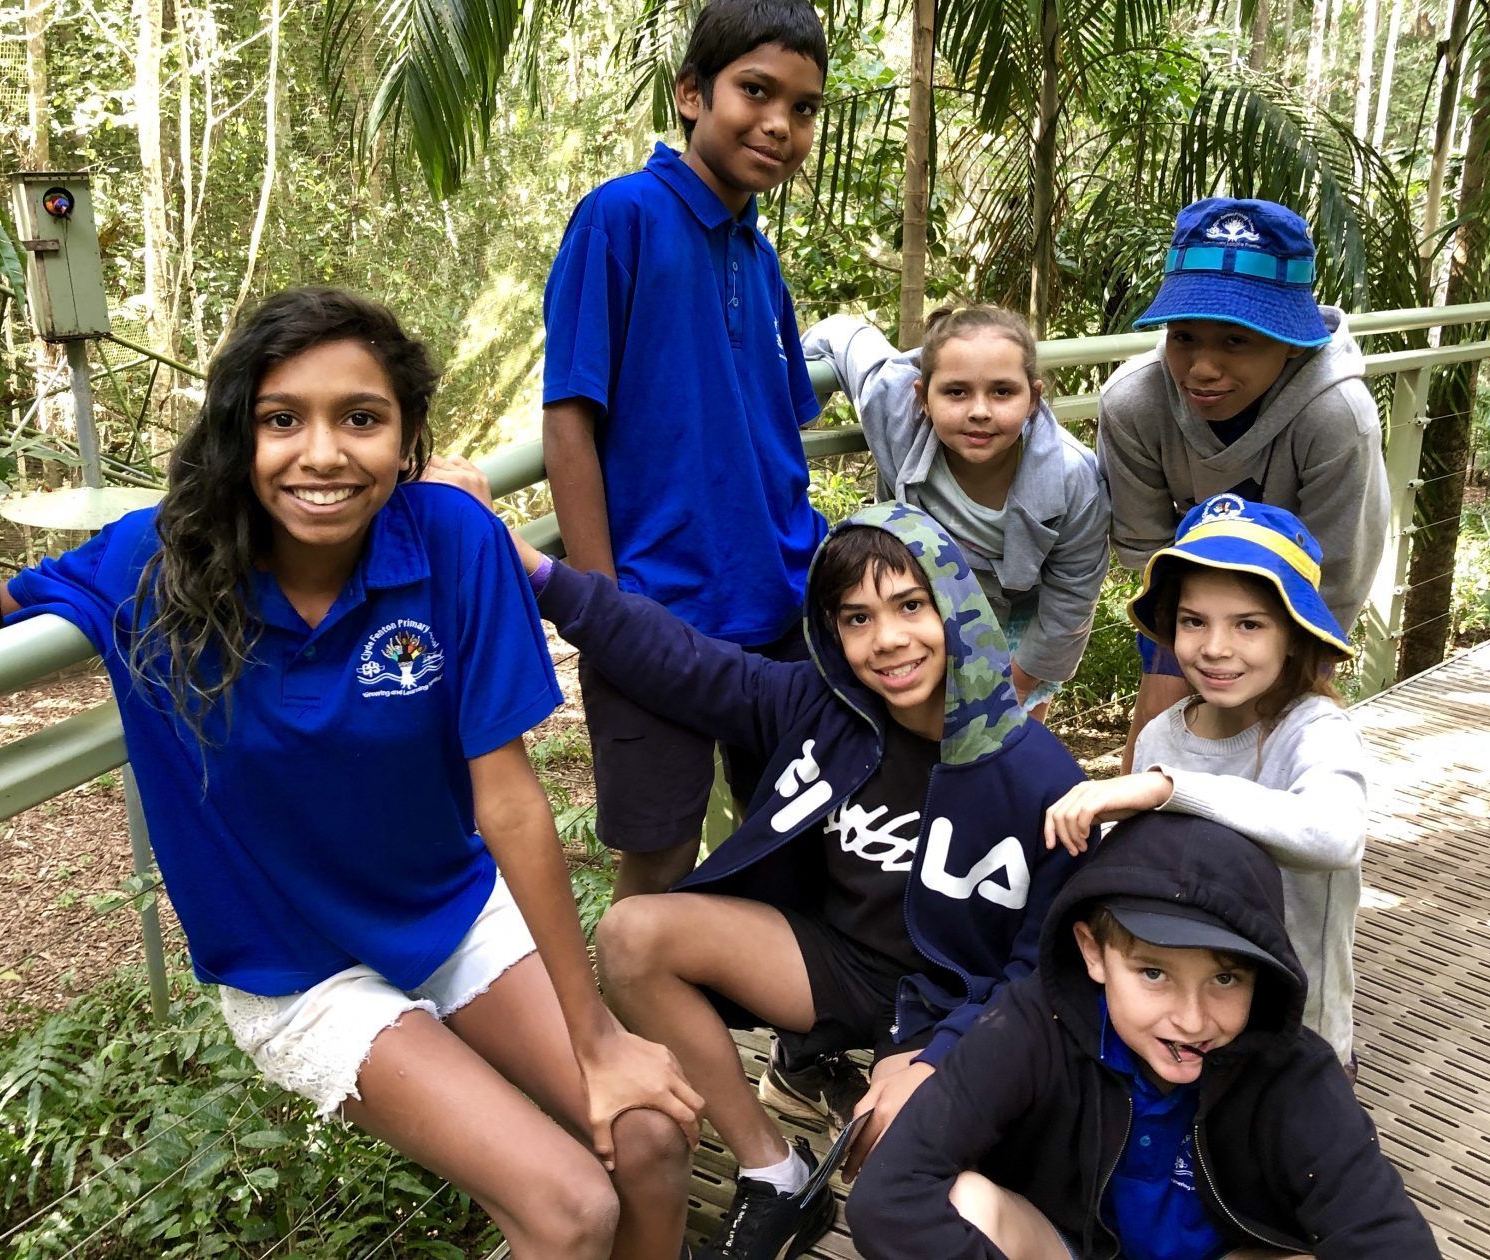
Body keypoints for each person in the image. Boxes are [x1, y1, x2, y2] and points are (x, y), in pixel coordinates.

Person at [0, 290, 700, 1260]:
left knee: (651, 1137)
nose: (322, 454)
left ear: (405, 438)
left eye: (361, 418)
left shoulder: (452, 541)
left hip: (442, 907)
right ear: (240, 434)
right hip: (295, 967)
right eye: (282, 420)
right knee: (571, 1208)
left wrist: (599, 1039)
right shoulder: (161, 562)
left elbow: (511, 799)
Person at [429, 477, 1089, 1260]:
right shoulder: (822, 705)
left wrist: (938, 1056)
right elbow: (677, 659)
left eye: (911, 605)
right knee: (634, 935)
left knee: (898, 1160)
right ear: (830, 631)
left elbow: (1043, 968)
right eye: (857, 618)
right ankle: (773, 1169)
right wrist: (537, 571)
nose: (888, 639)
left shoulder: (1037, 775)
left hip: (951, 1006)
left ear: (955, 606)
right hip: (839, 966)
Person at [845, 811, 1440, 1260]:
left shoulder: (1292, 1070)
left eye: (1226, 978)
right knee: (964, 1204)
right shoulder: (1033, 1025)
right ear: (1093, 953)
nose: (1191, 1018)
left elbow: (1384, 1231)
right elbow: (888, 1196)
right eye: (1154, 973)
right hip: (1066, 1246)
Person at [540, 0, 831, 900]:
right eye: (756, 90)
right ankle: (638, 1041)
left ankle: (796, 1037)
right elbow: (569, 421)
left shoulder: (758, 251)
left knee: (797, 830)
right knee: (659, 850)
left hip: (779, 602)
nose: (780, 123)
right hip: (656, 608)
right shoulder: (622, 219)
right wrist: (603, 604)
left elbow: (778, 420)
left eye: (806, 106)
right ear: (692, 95)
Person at [1041, 494, 1368, 1067]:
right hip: (1187, 1019)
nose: (1216, 648)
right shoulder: (1164, 736)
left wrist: (1169, 791)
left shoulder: (1314, 730)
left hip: (1296, 1028)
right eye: (1194, 621)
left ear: (1293, 633)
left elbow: (1335, 835)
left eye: (1248, 624)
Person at [1097, 197, 1389, 771]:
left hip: (1302, 603)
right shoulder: (1134, 402)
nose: (1202, 369)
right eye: (1183, 337)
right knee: (1156, 739)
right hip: (1187, 594)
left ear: (1291, 339)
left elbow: (1339, 573)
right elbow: (1149, 555)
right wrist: (1198, 639)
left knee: (1282, 745)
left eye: (1236, 340)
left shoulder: (1335, 416)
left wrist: (1278, 652)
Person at [802, 306, 1110, 722]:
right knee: (919, 731)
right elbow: (843, 333)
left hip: (1020, 609)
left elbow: (1073, 593)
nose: (979, 410)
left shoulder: (1072, 477)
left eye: (1002, 392)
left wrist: (1016, 688)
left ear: (1033, 399)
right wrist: (796, 400)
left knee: (1010, 742)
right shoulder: (892, 405)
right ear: (922, 397)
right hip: (920, 601)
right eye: (956, 392)